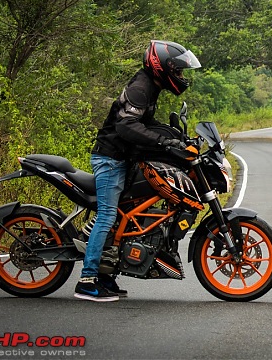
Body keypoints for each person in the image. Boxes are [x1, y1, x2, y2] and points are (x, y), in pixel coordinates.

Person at [74, 40, 201, 302]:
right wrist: (163, 142)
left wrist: (174, 137)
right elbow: (126, 127)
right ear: (162, 67)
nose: (180, 77)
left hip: (125, 158)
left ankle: (106, 274)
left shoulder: (150, 86)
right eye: (177, 71)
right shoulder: (141, 87)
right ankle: (86, 280)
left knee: (126, 217)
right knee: (108, 216)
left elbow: (146, 122)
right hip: (110, 158)